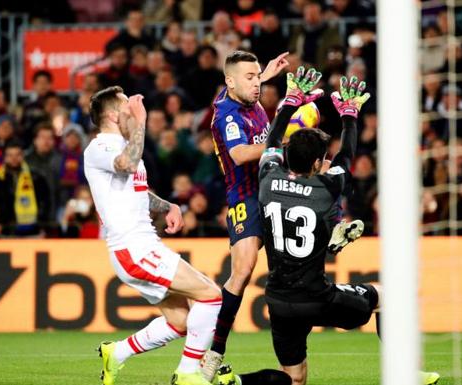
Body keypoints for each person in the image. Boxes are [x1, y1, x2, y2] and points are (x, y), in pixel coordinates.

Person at [252, 68, 440, 385]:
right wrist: (350, 115)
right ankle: (409, 373)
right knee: (389, 297)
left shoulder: (268, 179)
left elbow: (271, 139)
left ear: (285, 157)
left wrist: (290, 102)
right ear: (316, 164)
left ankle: (237, 381)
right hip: (317, 297)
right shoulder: (327, 188)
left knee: (294, 380)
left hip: (278, 300)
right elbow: (347, 155)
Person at [84, 86, 222, 385]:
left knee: (183, 322)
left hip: (144, 245)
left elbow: (135, 188)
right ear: (111, 115)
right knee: (211, 296)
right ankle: (188, 373)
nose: (133, 111)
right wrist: (142, 122)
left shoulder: (122, 144)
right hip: (133, 248)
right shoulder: (100, 147)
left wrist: (167, 205)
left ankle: (117, 353)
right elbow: (127, 164)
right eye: (127, 108)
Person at [201, 50, 290, 380]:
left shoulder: (252, 100)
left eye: (257, 78)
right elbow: (239, 154)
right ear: (230, 82)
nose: (258, 85)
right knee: (244, 268)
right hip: (244, 196)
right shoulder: (226, 113)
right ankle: (214, 351)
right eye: (250, 78)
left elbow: (246, 83)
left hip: (272, 189)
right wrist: (283, 147)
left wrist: (262, 75)